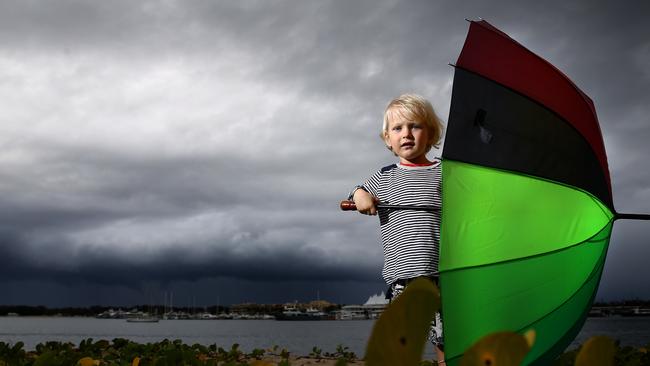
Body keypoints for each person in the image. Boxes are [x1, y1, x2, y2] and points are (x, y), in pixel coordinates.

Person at [348, 93, 445, 363]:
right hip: (403, 278)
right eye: (398, 128)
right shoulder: (385, 175)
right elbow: (357, 191)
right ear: (388, 139)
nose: (407, 134)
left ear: (431, 133)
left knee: (446, 341)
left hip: (443, 275)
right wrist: (360, 195)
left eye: (415, 126)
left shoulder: (444, 172)